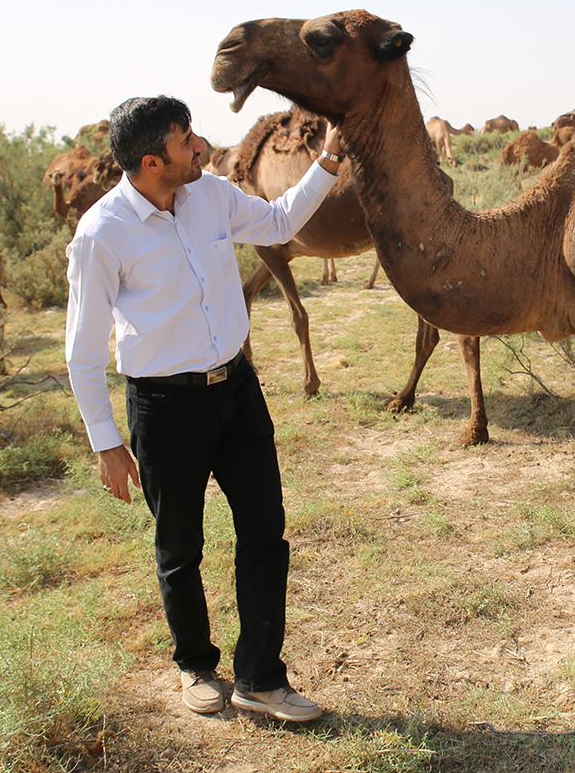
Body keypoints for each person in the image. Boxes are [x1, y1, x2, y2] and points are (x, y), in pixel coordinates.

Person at [65, 95, 343, 722]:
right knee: (179, 546)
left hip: (238, 392)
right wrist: (107, 442)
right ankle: (195, 665)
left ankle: (260, 679)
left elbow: (276, 222)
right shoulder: (102, 233)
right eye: (185, 139)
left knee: (265, 535)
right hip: (164, 408)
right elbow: (82, 351)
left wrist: (328, 158)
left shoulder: (211, 196)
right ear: (150, 160)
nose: (200, 145)